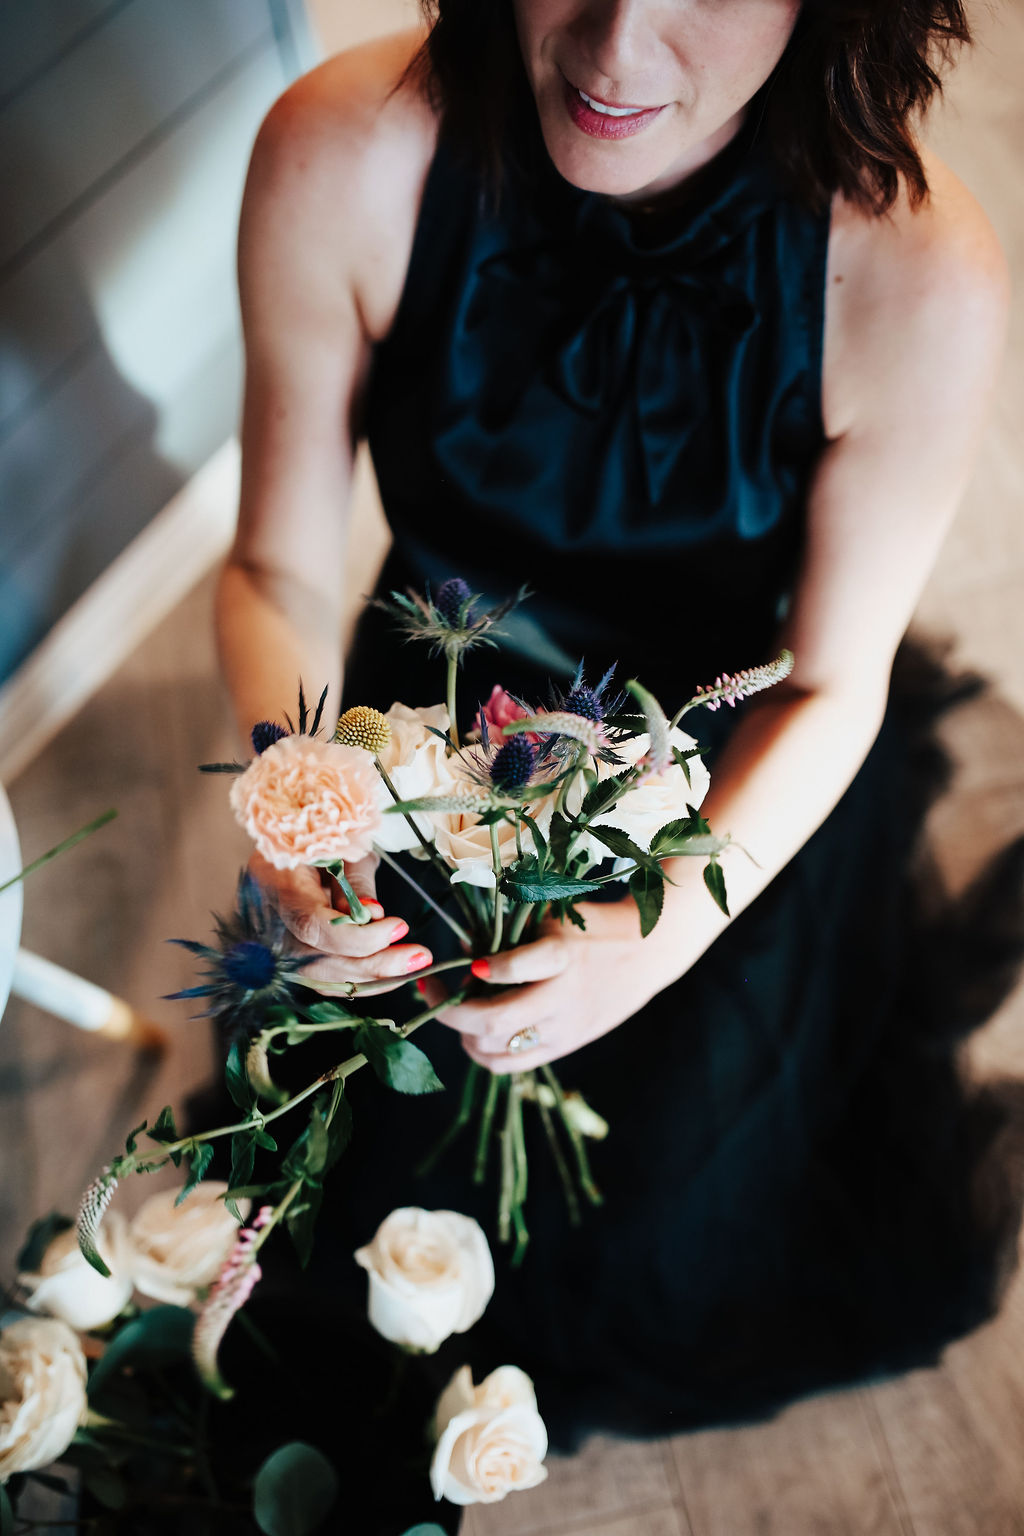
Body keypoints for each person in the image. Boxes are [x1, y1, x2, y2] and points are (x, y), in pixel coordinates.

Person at [212, 0, 1021, 1498]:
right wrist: (299, 806)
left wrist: (645, 946)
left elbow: (832, 689)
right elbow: (274, 575)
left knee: (673, 1236)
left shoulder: (918, 276)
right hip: (423, 739)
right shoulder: (340, 152)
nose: (614, 50)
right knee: (338, 1195)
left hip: (722, 782)